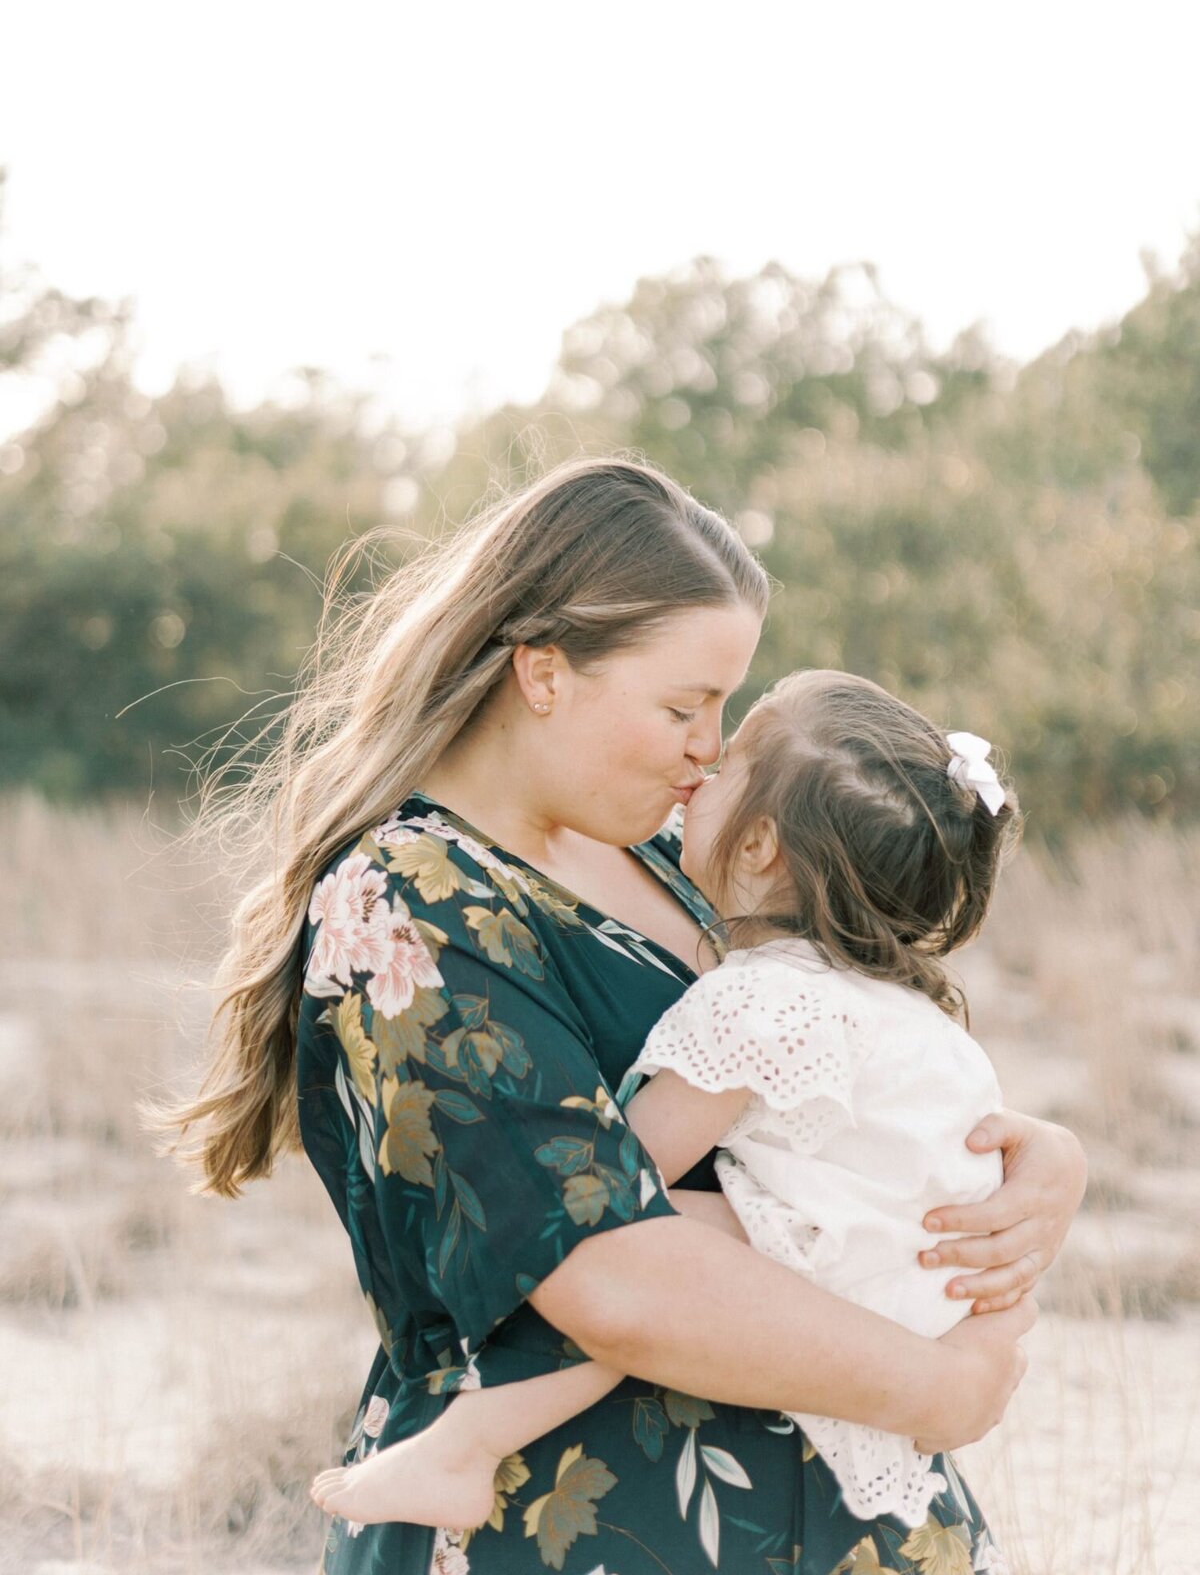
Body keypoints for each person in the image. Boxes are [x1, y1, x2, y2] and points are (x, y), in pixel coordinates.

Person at [156, 457, 1087, 1575]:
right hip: (583, 1527)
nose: (711, 746)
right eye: (686, 705)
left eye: (729, 709)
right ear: (545, 673)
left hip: (861, 1517)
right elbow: (608, 1271)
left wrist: (1041, 1160)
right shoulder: (413, 896)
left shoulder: (676, 859)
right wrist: (944, 1382)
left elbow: (838, 1088)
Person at [307, 669, 1022, 1554]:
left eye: (726, 741)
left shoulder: (758, 994)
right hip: (888, 1350)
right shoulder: (903, 1006)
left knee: (624, 1238)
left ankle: (467, 1443)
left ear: (759, 848)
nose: (705, 755)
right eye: (684, 708)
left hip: (821, 1390)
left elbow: (617, 1186)